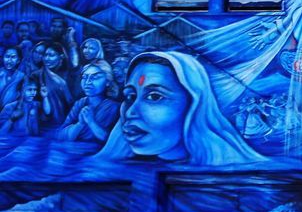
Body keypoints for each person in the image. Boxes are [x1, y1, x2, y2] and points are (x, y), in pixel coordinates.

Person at [96, 51, 265, 164]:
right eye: (130, 97)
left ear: (194, 105)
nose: (131, 111)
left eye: (154, 96)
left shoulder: (233, 178)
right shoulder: (107, 174)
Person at [59, 62, 120, 143]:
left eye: (95, 77)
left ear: (107, 81)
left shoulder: (114, 107)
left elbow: (111, 141)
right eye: (85, 77)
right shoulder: (79, 104)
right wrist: (80, 124)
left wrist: (91, 122)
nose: (87, 82)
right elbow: (60, 135)